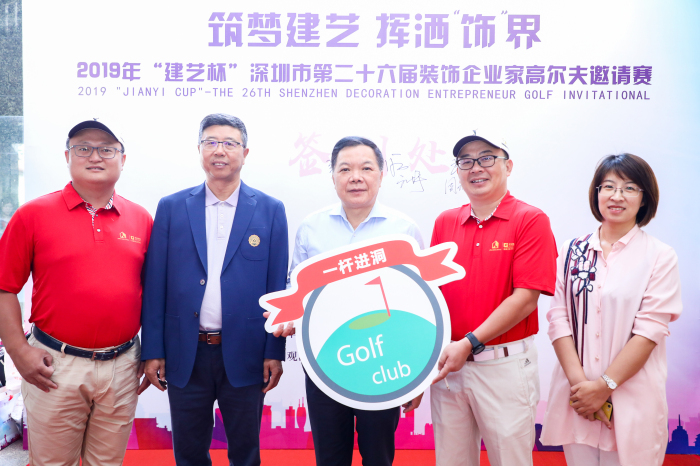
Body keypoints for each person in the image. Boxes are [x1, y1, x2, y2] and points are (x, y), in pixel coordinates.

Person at [0, 120, 153, 465]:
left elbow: (154, 294)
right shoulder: (33, 215)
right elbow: (4, 288)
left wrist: (154, 352)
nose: (95, 156)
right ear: (67, 156)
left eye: (106, 149)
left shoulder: (141, 219)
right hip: (55, 366)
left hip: (122, 365)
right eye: (83, 148)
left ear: (123, 160)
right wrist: (19, 352)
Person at [140, 113, 289, 466]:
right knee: (189, 452)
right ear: (199, 150)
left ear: (245, 153)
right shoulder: (172, 207)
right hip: (185, 351)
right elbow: (156, 282)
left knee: (245, 452)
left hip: (247, 351)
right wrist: (153, 349)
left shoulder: (270, 210)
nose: (219, 150)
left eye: (229, 143)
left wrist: (274, 351)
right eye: (211, 142)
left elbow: (277, 288)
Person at [269, 136, 424, 466]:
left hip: (383, 362)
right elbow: (295, 287)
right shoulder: (312, 227)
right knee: (330, 456)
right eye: (345, 169)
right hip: (325, 360)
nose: (356, 177)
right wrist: (290, 314)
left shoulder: (404, 230)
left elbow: (417, 304)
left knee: (378, 456)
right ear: (333, 176)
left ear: (381, 174)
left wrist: (415, 375)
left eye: (366, 168)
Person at [540, 154, 682, 466]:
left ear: (644, 199)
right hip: (578, 401)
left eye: (629, 188)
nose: (617, 196)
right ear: (597, 193)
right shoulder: (572, 251)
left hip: (633, 399)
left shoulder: (659, 256)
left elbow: (649, 332)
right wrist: (583, 390)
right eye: (608, 186)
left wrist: (603, 388)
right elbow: (558, 320)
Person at [429, 130, 558, 466]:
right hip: (449, 368)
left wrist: (469, 343)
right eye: (466, 161)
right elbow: (432, 296)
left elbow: (526, 298)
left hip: (504, 367)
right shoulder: (445, 223)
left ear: (508, 166)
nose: (476, 168)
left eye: (487, 158)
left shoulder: (530, 220)